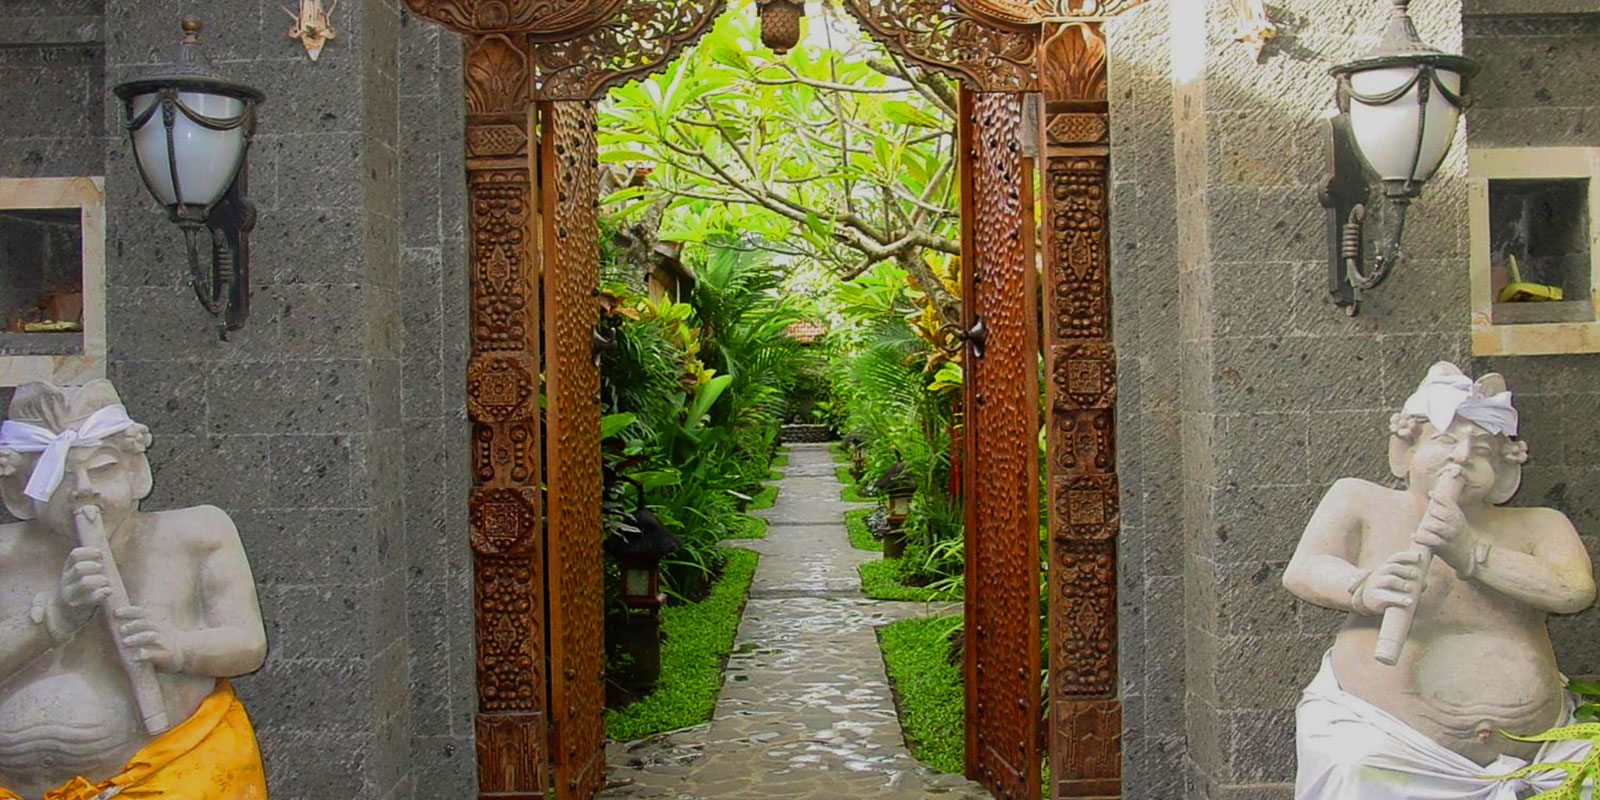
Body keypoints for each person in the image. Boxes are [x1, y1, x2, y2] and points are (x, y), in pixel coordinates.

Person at [1283, 362, 1597, 799]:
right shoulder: (1362, 500)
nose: (1462, 456)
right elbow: (1304, 569)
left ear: (1505, 472)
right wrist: (1362, 587)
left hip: (1544, 745)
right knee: (1355, 763)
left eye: (1482, 449)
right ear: (1405, 451)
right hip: (1389, 740)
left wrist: (1470, 552)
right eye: (1446, 440)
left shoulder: (1541, 524)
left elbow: (1574, 591)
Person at [0, 380, 267, 799]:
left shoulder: (197, 535)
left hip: (168, 773)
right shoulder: (6, 555)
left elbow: (249, 644)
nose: (83, 488)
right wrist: (54, 620)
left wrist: (178, 648)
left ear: (135, 471)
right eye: (57, 475)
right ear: (18, 492)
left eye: (102, 468)